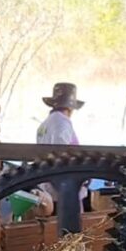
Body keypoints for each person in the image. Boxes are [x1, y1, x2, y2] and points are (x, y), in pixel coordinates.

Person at [34, 83, 85, 215]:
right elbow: (62, 153)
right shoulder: (63, 123)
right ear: (70, 107)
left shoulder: (44, 125)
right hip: (63, 188)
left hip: (48, 184)